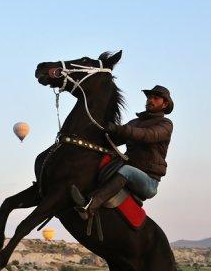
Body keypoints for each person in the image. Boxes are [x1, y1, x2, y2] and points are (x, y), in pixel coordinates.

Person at [72, 85, 174, 219]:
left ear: (165, 103)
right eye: (149, 97)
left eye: (155, 98)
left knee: (126, 170)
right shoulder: (135, 122)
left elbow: (147, 135)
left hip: (149, 180)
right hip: (127, 169)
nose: (150, 100)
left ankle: (89, 206)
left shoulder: (165, 124)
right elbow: (115, 139)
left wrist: (119, 129)